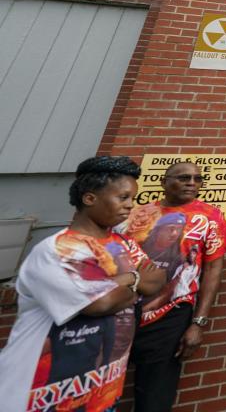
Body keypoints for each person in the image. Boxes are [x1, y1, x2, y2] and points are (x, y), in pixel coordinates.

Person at [0, 156, 166, 412]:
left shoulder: (123, 244)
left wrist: (121, 282)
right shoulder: (59, 249)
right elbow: (100, 303)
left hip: (100, 390)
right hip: (41, 394)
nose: (129, 207)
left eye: (131, 199)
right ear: (90, 199)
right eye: (122, 198)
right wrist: (135, 279)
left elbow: (156, 280)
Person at [117, 160, 226, 412]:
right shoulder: (137, 214)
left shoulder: (211, 217)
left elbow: (213, 269)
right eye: (183, 177)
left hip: (171, 314)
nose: (192, 183)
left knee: (154, 395)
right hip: (121, 310)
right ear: (164, 182)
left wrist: (198, 322)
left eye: (197, 179)